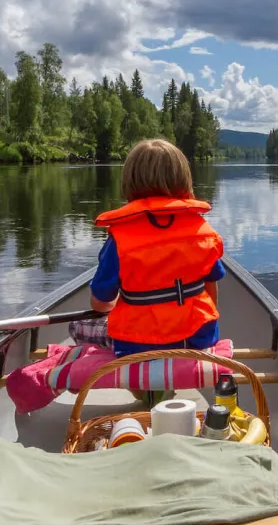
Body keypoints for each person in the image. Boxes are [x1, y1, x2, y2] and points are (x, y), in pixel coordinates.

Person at [87, 139, 225, 364]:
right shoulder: (202, 231)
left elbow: (100, 303)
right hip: (198, 338)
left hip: (137, 347)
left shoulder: (120, 239)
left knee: (79, 327)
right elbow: (210, 289)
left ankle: (141, 390)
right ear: (183, 178)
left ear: (130, 181)